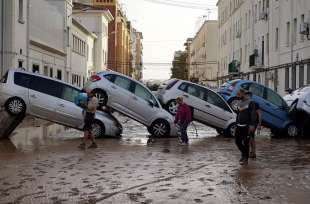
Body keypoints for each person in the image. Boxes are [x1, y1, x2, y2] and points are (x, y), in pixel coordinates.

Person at [235, 89, 257, 165]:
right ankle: (244, 153)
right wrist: (236, 123)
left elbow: (253, 114)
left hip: (247, 126)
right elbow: (238, 114)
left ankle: (245, 158)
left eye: (238, 94)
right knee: (237, 141)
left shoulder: (251, 102)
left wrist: (252, 125)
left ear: (243, 93)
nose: (237, 96)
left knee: (246, 142)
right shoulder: (239, 102)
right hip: (238, 125)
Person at [247, 92, 262, 159]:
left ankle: (253, 153)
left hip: (253, 124)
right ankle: (251, 152)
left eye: (247, 96)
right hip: (247, 123)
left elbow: (260, 114)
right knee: (249, 138)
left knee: (251, 138)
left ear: (250, 96)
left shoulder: (255, 104)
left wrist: (259, 125)